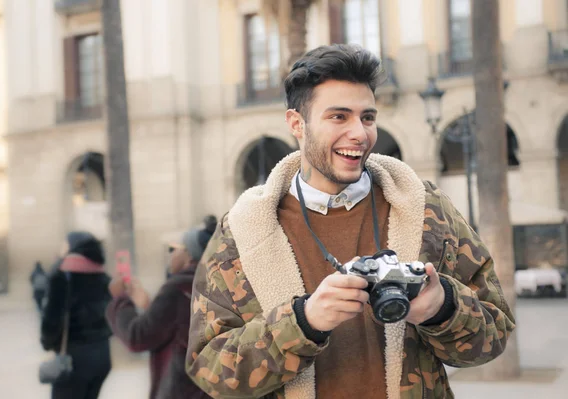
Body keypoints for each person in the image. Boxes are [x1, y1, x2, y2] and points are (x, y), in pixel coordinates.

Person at [186, 44, 516, 399]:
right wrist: (303, 321)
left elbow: (495, 334)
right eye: (339, 117)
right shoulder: (242, 229)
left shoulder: (427, 209)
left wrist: (443, 308)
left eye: (368, 117)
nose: (360, 133)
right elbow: (211, 371)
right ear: (297, 123)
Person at [106, 216, 216, 399]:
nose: (170, 254)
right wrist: (149, 307)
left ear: (190, 254)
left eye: (174, 249)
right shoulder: (216, 285)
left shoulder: (179, 289)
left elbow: (138, 336)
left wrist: (120, 301)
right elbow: (182, 329)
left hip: (181, 391)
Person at [41, 232, 112, 399]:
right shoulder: (103, 276)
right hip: (102, 355)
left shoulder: (63, 276)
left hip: (74, 359)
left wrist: (48, 342)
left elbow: (52, 320)